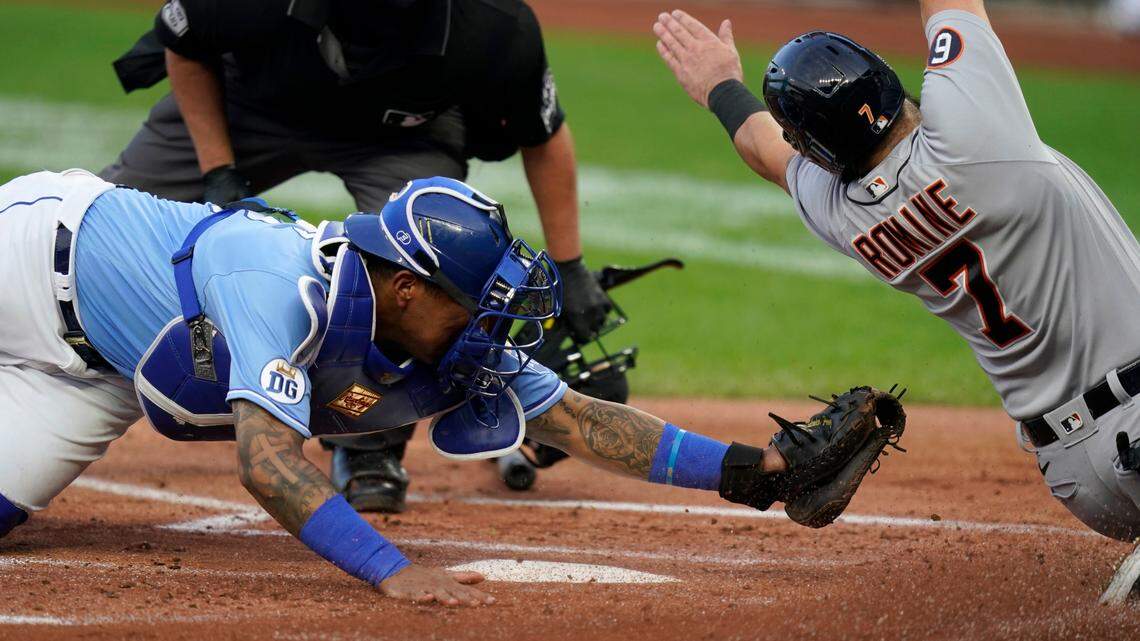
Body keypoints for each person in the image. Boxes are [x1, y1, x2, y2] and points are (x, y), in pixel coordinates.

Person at [0, 170, 904, 605]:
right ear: (406, 287)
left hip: (95, 377)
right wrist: (390, 572)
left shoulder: (434, 337)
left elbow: (579, 420)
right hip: (33, 260)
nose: (493, 327)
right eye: (476, 304)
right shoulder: (277, 281)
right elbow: (266, 462)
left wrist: (763, 470)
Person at [654, 0, 1140, 541]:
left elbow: (763, 146)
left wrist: (721, 85)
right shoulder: (974, 137)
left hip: (1081, 485)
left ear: (817, 150)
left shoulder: (840, 213)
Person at [101, 0, 612, 514]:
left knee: (419, 273)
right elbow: (187, 50)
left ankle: (369, 446)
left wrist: (570, 266)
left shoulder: (494, 25)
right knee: (106, 218)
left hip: (398, 137)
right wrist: (217, 171)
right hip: (247, 104)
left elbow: (541, 136)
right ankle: (52, 339)